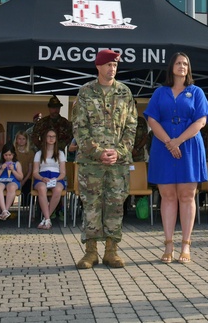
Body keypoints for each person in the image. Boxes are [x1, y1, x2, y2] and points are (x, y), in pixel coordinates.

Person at [72, 49, 138, 269]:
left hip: (117, 163)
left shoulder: (125, 92)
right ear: (98, 67)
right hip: (91, 163)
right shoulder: (85, 93)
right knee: (91, 205)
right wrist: (97, 151)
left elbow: (131, 127)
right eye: (109, 65)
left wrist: (118, 152)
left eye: (115, 65)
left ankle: (111, 251)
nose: (112, 69)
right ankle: (90, 252)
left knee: (115, 206)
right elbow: (79, 128)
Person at [146, 52, 208, 263]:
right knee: (168, 196)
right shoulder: (159, 92)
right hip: (163, 147)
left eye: (185, 63)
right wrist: (168, 142)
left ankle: (186, 245)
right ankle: (168, 244)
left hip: (189, 147)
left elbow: (201, 121)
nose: (182, 66)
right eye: (178, 63)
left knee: (187, 196)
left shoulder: (197, 91)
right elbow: (152, 120)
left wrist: (178, 141)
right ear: (171, 67)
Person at [33, 127, 67, 229]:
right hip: (42, 176)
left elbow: (63, 172)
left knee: (58, 189)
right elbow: (35, 172)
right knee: (42, 188)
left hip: (56, 177)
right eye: (49, 136)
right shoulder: (39, 153)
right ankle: (48, 219)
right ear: (45, 138)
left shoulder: (60, 153)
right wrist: (42, 178)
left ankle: (45, 219)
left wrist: (56, 179)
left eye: (53, 136)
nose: (51, 138)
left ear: (56, 139)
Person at [0, 144, 22, 221]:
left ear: (13, 154)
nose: (8, 157)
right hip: (1, 180)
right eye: (6, 155)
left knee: (11, 187)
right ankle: (4, 210)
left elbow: (20, 177)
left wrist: (13, 170)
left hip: (13, 181)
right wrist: (1, 169)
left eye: (10, 155)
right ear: (3, 155)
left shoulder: (17, 164)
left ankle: (6, 210)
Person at [13, 131, 35, 200]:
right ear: (16, 140)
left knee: (28, 189)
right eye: (19, 138)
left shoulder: (31, 153)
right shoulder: (13, 152)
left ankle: (27, 208)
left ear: (26, 141)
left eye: (23, 139)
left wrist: (23, 180)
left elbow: (30, 170)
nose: (21, 141)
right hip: (14, 177)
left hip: (26, 178)